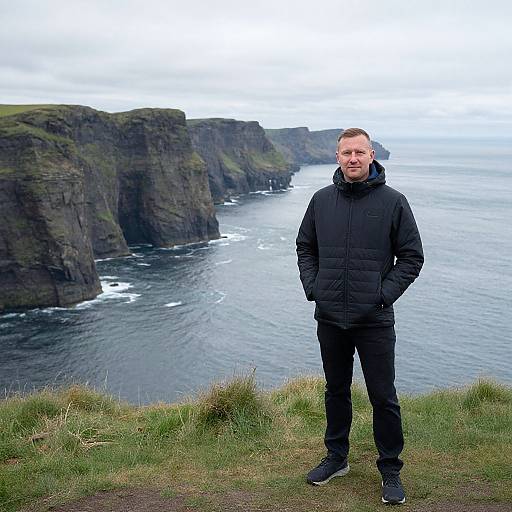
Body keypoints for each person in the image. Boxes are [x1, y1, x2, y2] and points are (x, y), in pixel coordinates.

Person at [296, 128, 423, 505]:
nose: (353, 158)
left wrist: (382, 296)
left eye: (359, 152)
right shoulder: (320, 201)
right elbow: (305, 247)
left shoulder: (393, 202)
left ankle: (390, 470)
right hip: (330, 317)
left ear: (371, 156)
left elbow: (412, 257)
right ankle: (336, 458)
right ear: (337, 157)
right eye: (346, 152)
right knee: (335, 390)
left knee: (383, 396)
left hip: (374, 319)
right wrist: (314, 287)